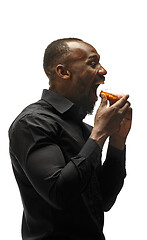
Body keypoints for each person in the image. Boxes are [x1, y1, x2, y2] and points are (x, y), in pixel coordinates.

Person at [9, 38, 132, 240]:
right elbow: (59, 193)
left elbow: (104, 200)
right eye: (93, 63)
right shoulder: (32, 123)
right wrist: (100, 134)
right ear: (63, 72)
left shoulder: (84, 130)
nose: (103, 71)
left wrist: (117, 141)